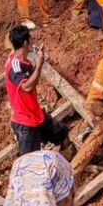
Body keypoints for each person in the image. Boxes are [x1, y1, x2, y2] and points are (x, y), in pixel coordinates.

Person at [6, 26, 68, 156]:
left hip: (36, 114)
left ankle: (68, 163)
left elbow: (30, 79)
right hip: (25, 123)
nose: (33, 42)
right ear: (25, 43)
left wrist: (38, 65)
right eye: (31, 39)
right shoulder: (15, 66)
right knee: (30, 160)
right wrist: (39, 65)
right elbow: (27, 87)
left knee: (61, 133)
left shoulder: (25, 63)